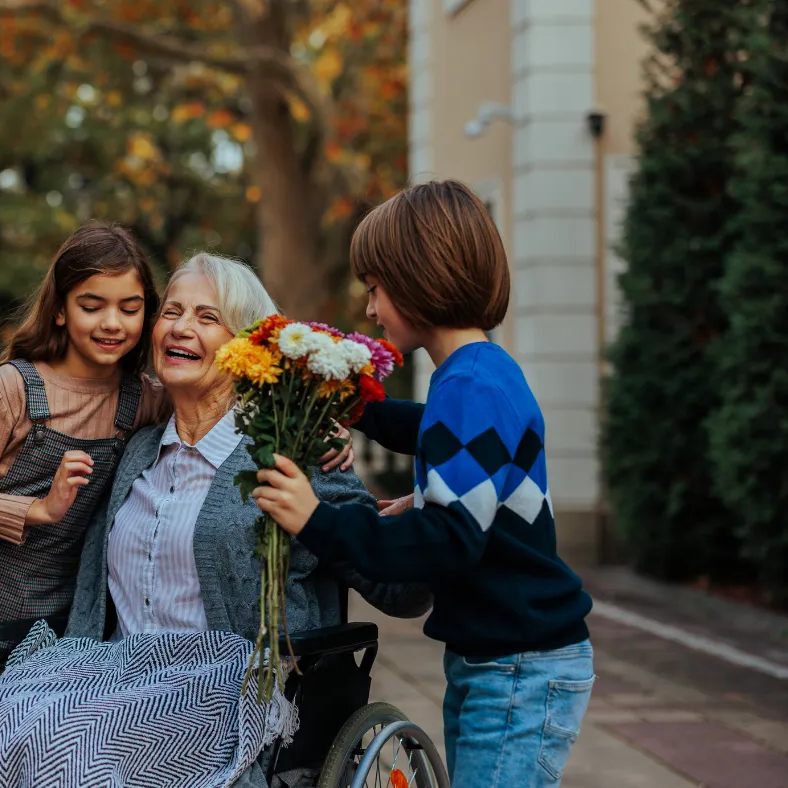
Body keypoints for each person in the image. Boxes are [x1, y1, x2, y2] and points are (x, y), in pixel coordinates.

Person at [0, 254, 430, 788]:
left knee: (64, 737)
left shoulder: (290, 455)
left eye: (207, 317)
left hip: (225, 692)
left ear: (247, 349)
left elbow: (400, 590)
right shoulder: (136, 448)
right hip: (114, 677)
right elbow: (61, 436)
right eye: (171, 312)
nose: (181, 327)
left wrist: (434, 511)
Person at [252, 180, 595, 787]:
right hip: (499, 654)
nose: (370, 308)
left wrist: (319, 521)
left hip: (517, 663)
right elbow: (438, 434)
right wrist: (361, 409)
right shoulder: (474, 373)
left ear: (419, 280)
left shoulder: (470, 386)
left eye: (376, 289)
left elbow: (448, 540)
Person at [0, 222, 175, 788]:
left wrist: (319, 437)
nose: (111, 323)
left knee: (24, 765)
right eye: (91, 305)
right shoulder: (13, 386)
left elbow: (213, 411)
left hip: (48, 620)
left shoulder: (144, 399)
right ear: (59, 310)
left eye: (130, 308)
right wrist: (39, 510)